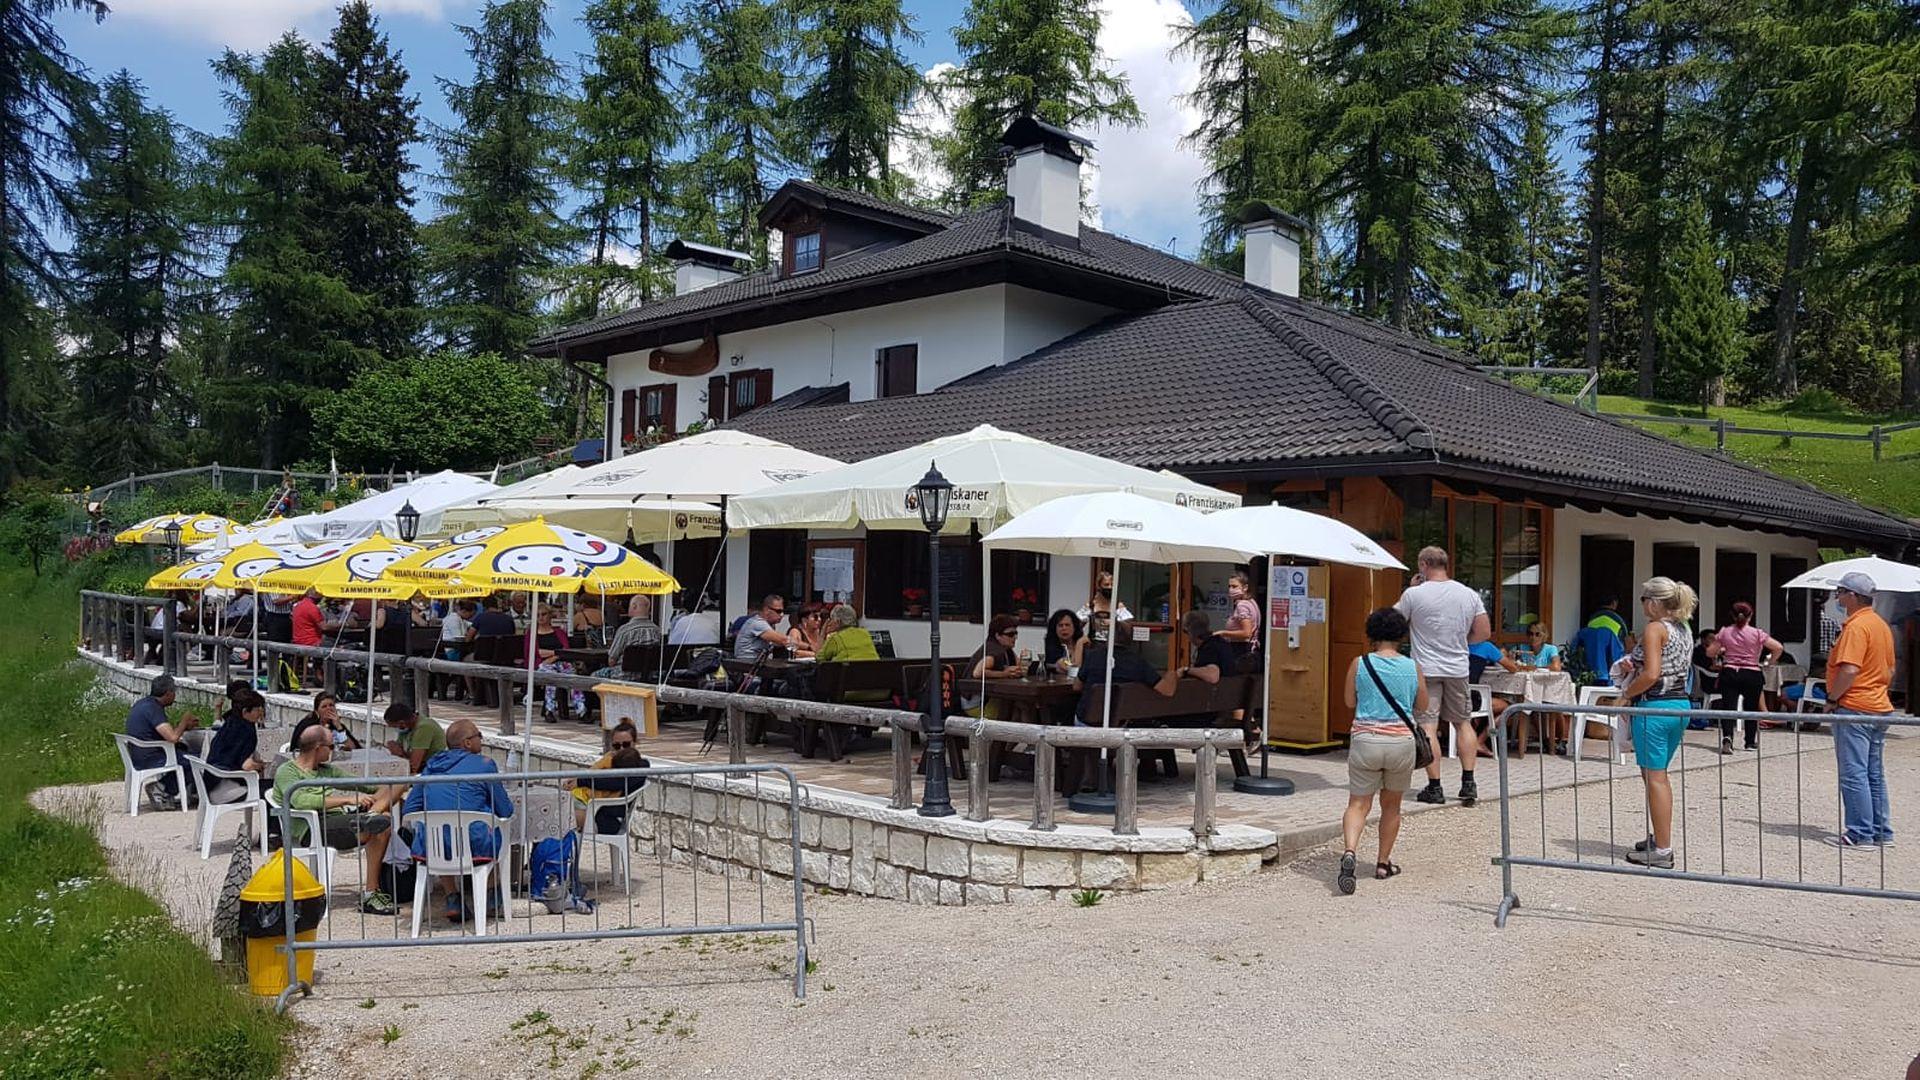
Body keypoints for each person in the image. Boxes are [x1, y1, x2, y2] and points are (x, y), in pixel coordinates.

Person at [1337, 607, 1428, 894]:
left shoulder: (1359, 663)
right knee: (1392, 806)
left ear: (1371, 633)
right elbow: (1423, 706)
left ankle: (1350, 851)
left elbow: (1349, 702)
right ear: (1401, 635)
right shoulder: (1412, 666)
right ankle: (1382, 862)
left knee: (1358, 804)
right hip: (1400, 742)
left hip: (1366, 740)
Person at [1395, 547, 1492, 806]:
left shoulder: (1413, 594)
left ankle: (1435, 786)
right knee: (1463, 723)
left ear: (1424, 565)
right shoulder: (1468, 594)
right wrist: (1461, 641)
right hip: (1458, 667)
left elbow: (1393, 623)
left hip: (1426, 668)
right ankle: (1468, 782)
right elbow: (1484, 632)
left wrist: (1410, 588)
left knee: (1428, 726)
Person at [274, 724, 402, 915]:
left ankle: (370, 817)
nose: (334, 751)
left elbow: (363, 785)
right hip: (313, 828)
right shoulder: (288, 771)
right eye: (332, 746)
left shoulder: (326, 770)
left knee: (397, 787)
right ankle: (370, 892)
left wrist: (390, 787)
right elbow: (301, 801)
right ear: (318, 748)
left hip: (339, 821)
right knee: (380, 825)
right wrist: (348, 799)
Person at [1616, 576, 1698, 869]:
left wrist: (1626, 694)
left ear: (1652, 603)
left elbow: (1651, 674)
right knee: (1657, 775)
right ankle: (1660, 837)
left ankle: (1663, 850)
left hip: (1654, 707)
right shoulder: (1682, 628)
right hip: (1680, 704)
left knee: (1655, 778)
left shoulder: (1654, 629)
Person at [402, 719, 513, 922]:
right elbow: (505, 809)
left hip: (432, 849)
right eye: (479, 735)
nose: (482, 739)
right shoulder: (484, 765)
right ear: (467, 743)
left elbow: (410, 809)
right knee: (490, 827)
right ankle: (490, 892)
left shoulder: (430, 768)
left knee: (440, 832)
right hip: (474, 847)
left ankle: (452, 895)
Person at [1824, 571, 1896, 847]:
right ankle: (1881, 831)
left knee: (1853, 772)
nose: (1838, 596)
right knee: (1874, 772)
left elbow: (1850, 668)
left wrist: (1832, 698)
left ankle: (1859, 832)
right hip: (1879, 705)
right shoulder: (1880, 625)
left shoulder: (1855, 627)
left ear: (1853, 596)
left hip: (1854, 706)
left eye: (1840, 591)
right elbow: (1890, 668)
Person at [1706, 601, 1783, 754]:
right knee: (1751, 708)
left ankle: (1727, 737)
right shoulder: (1757, 633)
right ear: (1751, 616)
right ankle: (1749, 741)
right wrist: (1768, 662)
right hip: (1752, 672)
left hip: (1730, 671)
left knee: (1729, 708)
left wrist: (1723, 650)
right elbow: (1778, 647)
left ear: (1732, 616)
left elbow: (1709, 652)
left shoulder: (1725, 632)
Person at [125, 674, 204, 808]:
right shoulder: (153, 709)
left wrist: (183, 727)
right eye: (174, 693)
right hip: (151, 756)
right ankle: (162, 789)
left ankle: (168, 790)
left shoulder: (143, 704)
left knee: (188, 753)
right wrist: (184, 722)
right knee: (197, 761)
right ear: (168, 693)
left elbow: (163, 732)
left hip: (139, 753)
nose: (175, 696)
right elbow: (172, 738)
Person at [570, 721, 648, 830]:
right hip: (595, 809)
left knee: (561, 818)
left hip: (611, 818)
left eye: (626, 745)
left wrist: (581, 781)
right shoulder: (610, 760)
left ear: (635, 742)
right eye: (616, 746)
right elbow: (595, 771)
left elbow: (615, 782)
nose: (621, 749)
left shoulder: (641, 765)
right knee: (556, 812)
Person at [202, 687, 269, 804]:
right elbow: (247, 766)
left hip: (211, 786)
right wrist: (261, 766)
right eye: (257, 709)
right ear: (245, 712)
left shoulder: (230, 722)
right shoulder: (247, 730)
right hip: (229, 790)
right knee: (277, 792)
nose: (260, 712)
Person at [960, 614, 1024, 716]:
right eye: (1011, 634)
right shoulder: (993, 650)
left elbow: (1019, 668)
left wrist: (1022, 662)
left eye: (1016, 633)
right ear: (997, 636)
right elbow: (977, 672)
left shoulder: (1007, 650)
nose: (1015, 637)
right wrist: (1004, 674)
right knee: (1020, 705)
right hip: (977, 705)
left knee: (1022, 704)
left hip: (990, 699)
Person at [532, 608, 587, 720]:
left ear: (550, 615)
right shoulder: (532, 634)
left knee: (574, 678)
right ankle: (549, 710)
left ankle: (581, 711)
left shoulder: (559, 632)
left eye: (543, 614)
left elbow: (565, 650)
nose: (541, 617)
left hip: (560, 662)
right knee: (551, 678)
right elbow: (534, 652)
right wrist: (555, 653)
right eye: (537, 615)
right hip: (542, 665)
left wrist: (552, 655)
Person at [382, 702, 446, 774]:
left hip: (430, 770)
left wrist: (399, 754)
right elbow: (400, 747)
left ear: (402, 723)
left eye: (394, 726)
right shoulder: (407, 729)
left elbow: (414, 767)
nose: (395, 729)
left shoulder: (424, 728)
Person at [290, 689, 360, 752]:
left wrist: (339, 728)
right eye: (324, 707)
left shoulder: (337, 726)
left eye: (331, 705)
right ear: (317, 712)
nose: (329, 709)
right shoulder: (308, 726)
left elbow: (354, 749)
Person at [735, 594, 800, 662]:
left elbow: (778, 643)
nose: (782, 615)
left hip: (758, 662)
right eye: (778, 611)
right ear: (766, 610)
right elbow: (784, 640)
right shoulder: (758, 623)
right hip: (748, 664)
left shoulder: (769, 625)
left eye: (783, 611)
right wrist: (808, 646)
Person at [605, 594, 661, 669]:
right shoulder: (657, 630)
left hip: (623, 675)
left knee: (594, 676)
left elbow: (611, 660)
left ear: (634, 606)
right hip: (650, 675)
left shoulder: (625, 630)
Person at [1215, 571, 1262, 658]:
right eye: (1229, 586)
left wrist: (1223, 633)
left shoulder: (1242, 605)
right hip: (1250, 648)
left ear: (1245, 587)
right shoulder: (1251, 602)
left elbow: (1247, 633)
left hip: (1241, 649)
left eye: (1234, 586)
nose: (1231, 590)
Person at [1043, 608, 1086, 675]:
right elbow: (1069, 667)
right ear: (1055, 629)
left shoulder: (1084, 644)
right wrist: (1079, 644)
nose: (1064, 628)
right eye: (1060, 625)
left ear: (1074, 627)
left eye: (1067, 625)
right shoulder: (1052, 645)